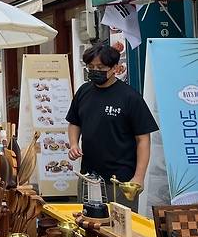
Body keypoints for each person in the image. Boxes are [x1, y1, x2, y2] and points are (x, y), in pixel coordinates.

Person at [67, 44, 158, 211]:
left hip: (121, 179)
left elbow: (143, 139)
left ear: (115, 68)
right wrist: (74, 144)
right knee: (87, 225)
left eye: (100, 67)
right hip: (89, 176)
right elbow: (74, 122)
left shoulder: (130, 97)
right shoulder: (83, 92)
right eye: (91, 67)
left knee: (121, 230)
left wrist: (139, 177)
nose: (95, 71)